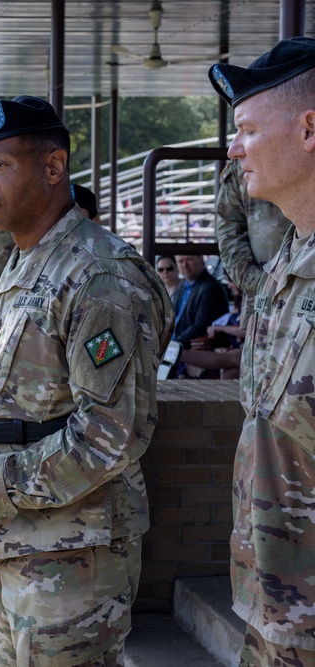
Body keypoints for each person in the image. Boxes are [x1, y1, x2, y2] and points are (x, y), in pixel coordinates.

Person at [0, 96, 173, 665]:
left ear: (53, 167)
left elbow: (111, 435)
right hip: (20, 545)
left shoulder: (99, 276)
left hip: (74, 561)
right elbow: (28, 392)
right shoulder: (28, 262)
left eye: (1, 165)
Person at [208, 37, 315, 666]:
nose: (232, 147)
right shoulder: (284, 269)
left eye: (246, 128)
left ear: (308, 129)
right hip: (276, 616)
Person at [215, 158, 293, 323]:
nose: (233, 149)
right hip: (264, 302)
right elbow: (230, 235)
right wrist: (260, 283)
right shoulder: (242, 164)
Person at [170, 254, 229, 349]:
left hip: (191, 349)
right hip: (174, 342)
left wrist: (173, 345)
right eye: (180, 261)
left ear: (201, 259)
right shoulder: (181, 284)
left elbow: (200, 327)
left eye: (189, 259)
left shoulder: (210, 287)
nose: (184, 265)